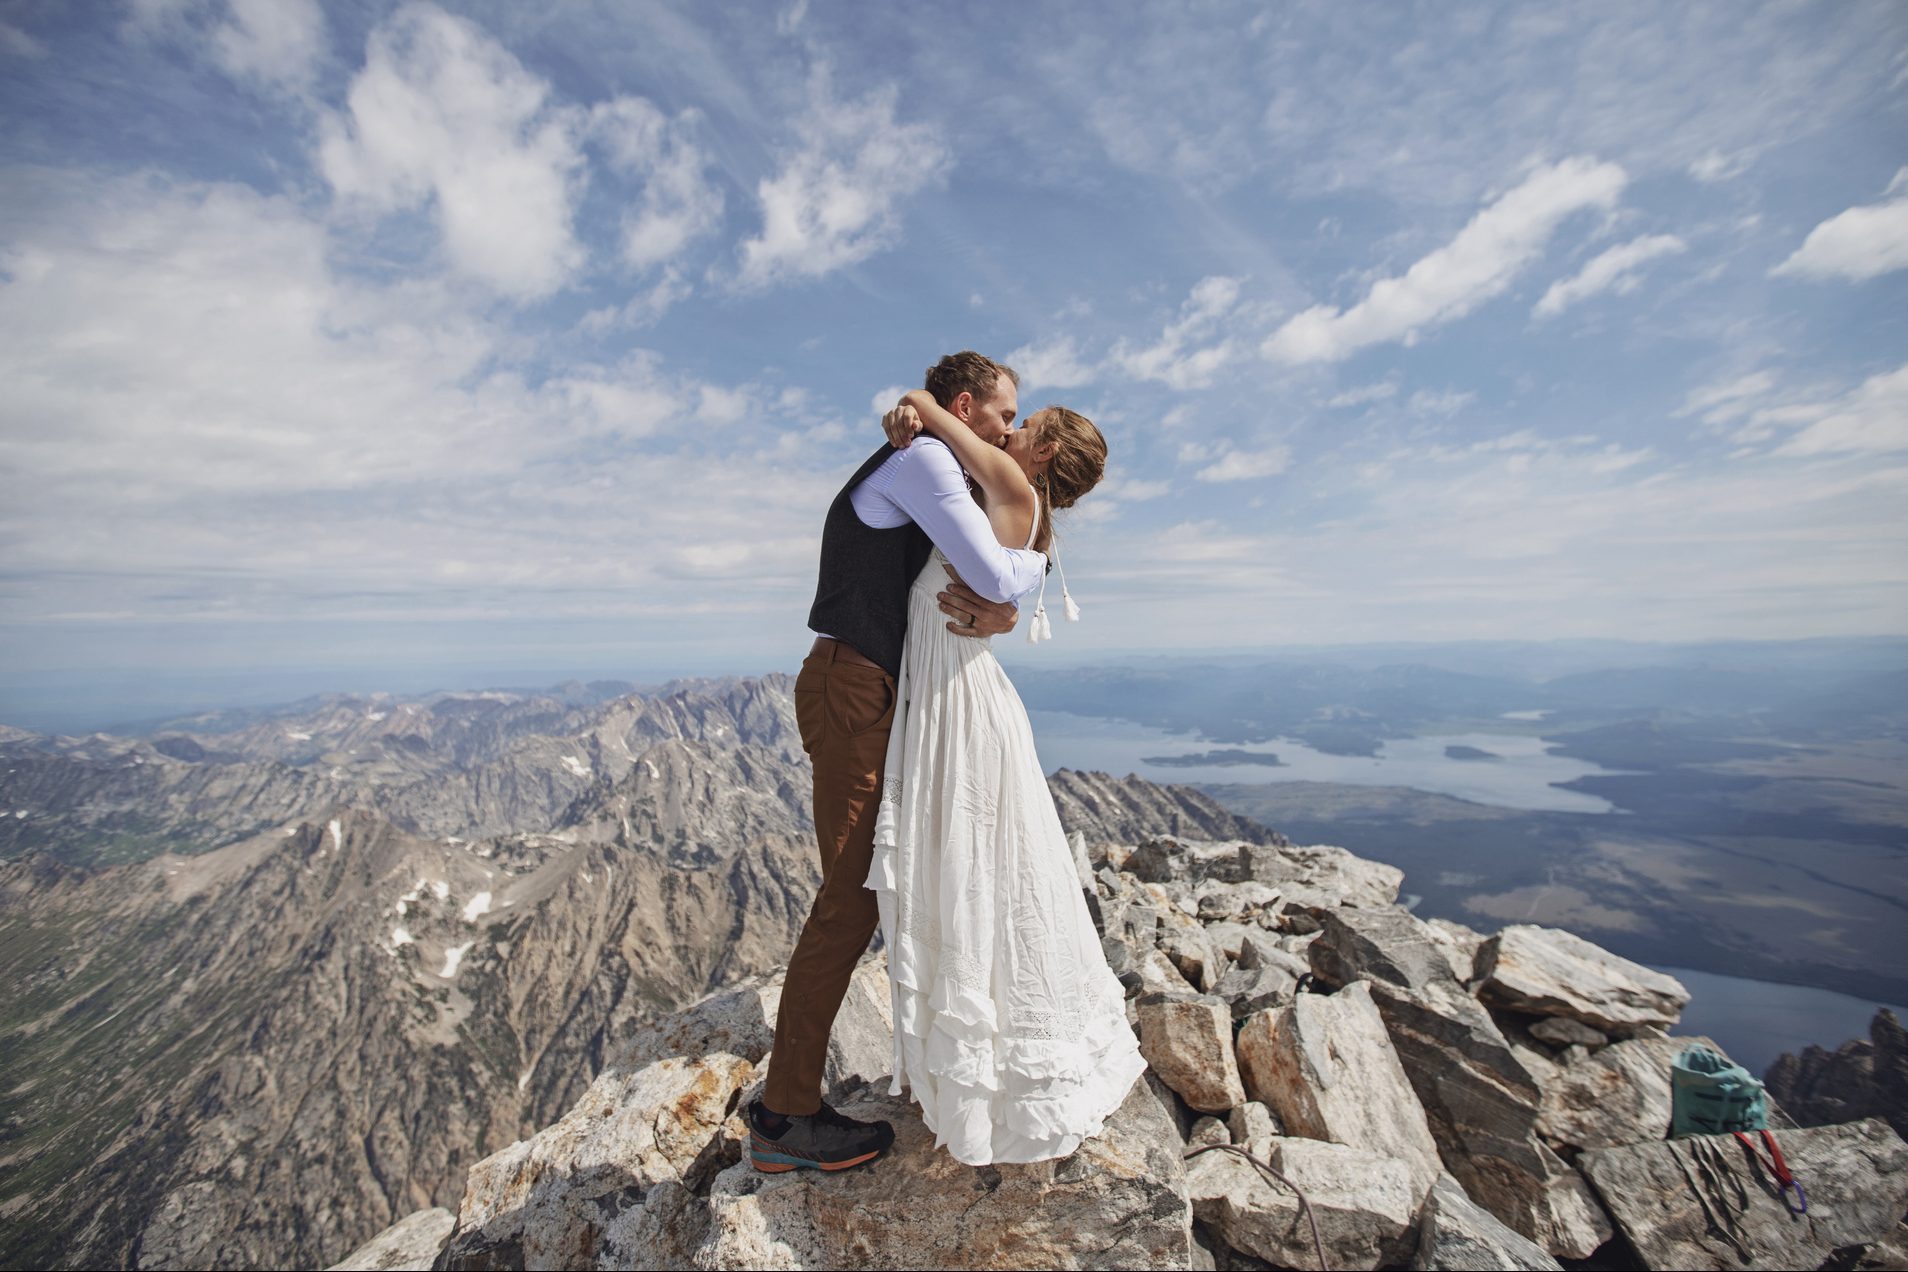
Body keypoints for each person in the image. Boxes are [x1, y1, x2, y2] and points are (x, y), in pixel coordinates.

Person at [749, 351, 1045, 1174]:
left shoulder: (928, 454)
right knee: (849, 900)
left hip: (867, 689)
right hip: (853, 690)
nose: (1012, 429)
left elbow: (969, 580)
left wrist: (1003, 613)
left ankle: (797, 1095)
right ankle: (783, 1118)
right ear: (964, 405)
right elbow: (990, 569)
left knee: (869, 893)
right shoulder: (923, 461)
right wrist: (1034, 574)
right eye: (1004, 414)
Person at [863, 387, 1143, 1166]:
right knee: (984, 867)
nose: (1009, 430)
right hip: (956, 692)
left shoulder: (1011, 485)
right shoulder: (1021, 507)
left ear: (1044, 453)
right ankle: (989, 1069)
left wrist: (915, 402)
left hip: (959, 700)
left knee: (974, 865)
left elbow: (940, 419)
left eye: (1024, 426)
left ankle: (990, 1079)